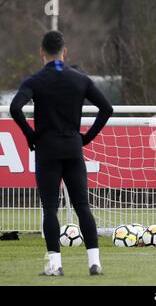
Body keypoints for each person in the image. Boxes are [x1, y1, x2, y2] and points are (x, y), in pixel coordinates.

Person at [10, 31, 113, 275]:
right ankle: (94, 262)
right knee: (82, 206)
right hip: (72, 147)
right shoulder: (79, 79)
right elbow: (106, 108)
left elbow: (15, 107)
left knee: (50, 208)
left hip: (47, 149)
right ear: (64, 52)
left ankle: (55, 265)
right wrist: (86, 137)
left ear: (41, 52)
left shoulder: (34, 81)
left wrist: (29, 134)